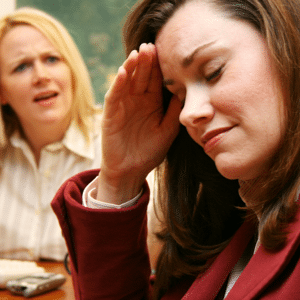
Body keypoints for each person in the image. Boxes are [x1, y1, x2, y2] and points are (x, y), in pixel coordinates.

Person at [52, 0, 300, 299]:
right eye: (177, 95)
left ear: (289, 45)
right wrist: (119, 180)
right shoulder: (233, 220)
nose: (188, 113)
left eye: (212, 72)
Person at [0, 7, 103, 261]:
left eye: (52, 59)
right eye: (22, 67)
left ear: (72, 70)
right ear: (1, 92)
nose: (42, 76)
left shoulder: (116, 147)